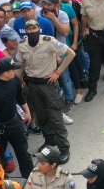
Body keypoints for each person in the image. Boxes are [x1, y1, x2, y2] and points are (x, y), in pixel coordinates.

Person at [17, 17, 74, 162]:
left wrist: (58, 72)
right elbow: (20, 64)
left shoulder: (49, 41)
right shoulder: (23, 45)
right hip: (32, 84)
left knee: (55, 117)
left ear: (39, 29)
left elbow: (70, 54)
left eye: (34, 28)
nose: (32, 31)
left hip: (48, 84)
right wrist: (20, 80)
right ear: (26, 31)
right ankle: (49, 141)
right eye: (29, 29)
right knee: (42, 117)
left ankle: (63, 148)